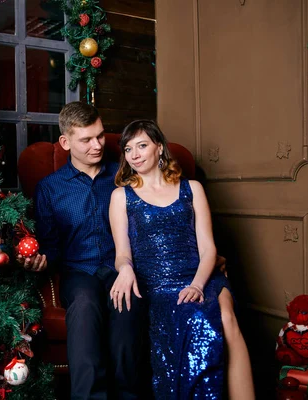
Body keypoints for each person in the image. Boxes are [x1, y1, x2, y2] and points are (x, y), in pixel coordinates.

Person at [108, 120, 255, 399]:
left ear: (159, 148)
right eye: (128, 149)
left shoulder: (192, 189)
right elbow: (122, 253)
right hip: (158, 286)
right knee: (196, 318)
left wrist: (198, 285)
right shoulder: (121, 197)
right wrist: (125, 269)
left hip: (201, 275)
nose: (135, 155)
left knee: (225, 317)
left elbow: (209, 249)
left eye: (142, 146)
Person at [32, 102, 145, 400]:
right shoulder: (50, 188)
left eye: (99, 136)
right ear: (66, 142)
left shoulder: (124, 176)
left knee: (126, 308)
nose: (97, 145)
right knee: (84, 304)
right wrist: (41, 260)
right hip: (78, 271)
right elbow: (51, 247)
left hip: (121, 266)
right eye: (86, 139)